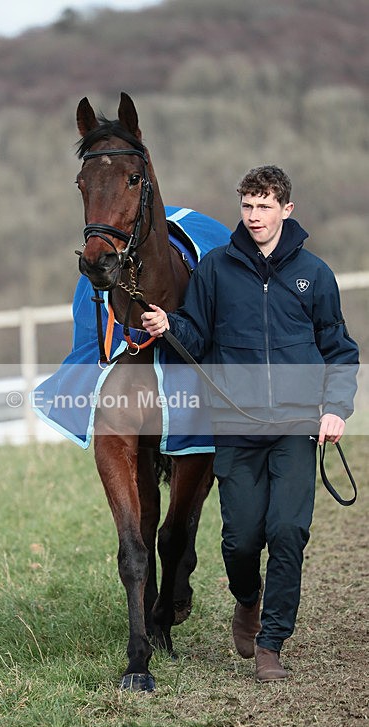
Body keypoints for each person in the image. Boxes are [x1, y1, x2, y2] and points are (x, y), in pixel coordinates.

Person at [141, 165, 359, 682]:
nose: (254, 215)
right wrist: (170, 325)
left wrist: (335, 407)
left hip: (296, 426)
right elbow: (197, 338)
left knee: (288, 531)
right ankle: (247, 598)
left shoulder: (315, 275)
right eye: (247, 205)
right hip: (236, 427)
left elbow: (339, 348)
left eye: (264, 206)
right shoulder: (216, 269)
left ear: (287, 209)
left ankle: (271, 644)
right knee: (240, 541)